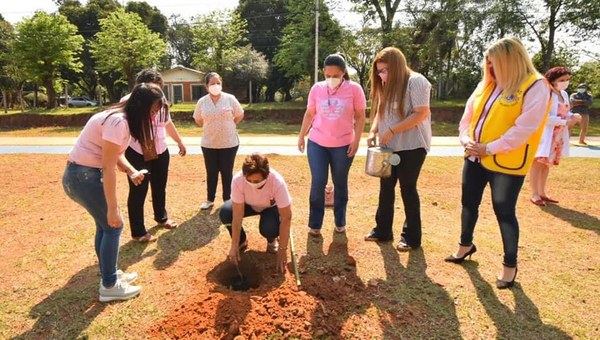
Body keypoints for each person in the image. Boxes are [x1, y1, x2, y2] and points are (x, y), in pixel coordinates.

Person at [444, 37, 551, 289]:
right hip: (474, 157)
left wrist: (489, 148)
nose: (490, 69)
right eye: (488, 64)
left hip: (506, 163)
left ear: (512, 61)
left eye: (495, 64)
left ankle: (509, 265)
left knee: (504, 212)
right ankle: (465, 245)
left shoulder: (535, 86)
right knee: (468, 203)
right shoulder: (487, 84)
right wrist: (466, 139)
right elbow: (467, 118)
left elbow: (525, 128)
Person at [62, 83, 166, 302]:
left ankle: (109, 272)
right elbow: (108, 166)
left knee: (105, 226)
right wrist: (112, 208)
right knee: (114, 224)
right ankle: (109, 286)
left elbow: (114, 154)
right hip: (83, 177)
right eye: (153, 110)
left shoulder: (118, 118)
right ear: (142, 105)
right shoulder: (118, 122)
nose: (154, 115)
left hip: (82, 175)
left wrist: (131, 170)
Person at [363, 47, 432, 252]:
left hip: (412, 146)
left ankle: (411, 237)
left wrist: (393, 129)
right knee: (386, 187)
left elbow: (420, 113)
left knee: (407, 188)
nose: (381, 75)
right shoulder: (386, 84)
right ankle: (382, 230)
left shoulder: (416, 82)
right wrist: (373, 131)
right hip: (388, 146)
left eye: (385, 70)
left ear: (398, 67)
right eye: (379, 71)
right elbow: (381, 111)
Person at [297, 54, 366, 235]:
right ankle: (315, 224)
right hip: (318, 143)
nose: (331, 79)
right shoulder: (317, 89)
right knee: (318, 182)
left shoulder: (355, 90)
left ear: (344, 73)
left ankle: (340, 221)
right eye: (328, 75)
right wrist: (301, 135)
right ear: (323, 73)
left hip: (344, 144)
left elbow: (360, 117)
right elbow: (310, 113)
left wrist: (357, 140)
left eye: (335, 76)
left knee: (340, 182)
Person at [122, 69, 187, 242]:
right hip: (137, 152)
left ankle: (161, 217)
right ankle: (138, 231)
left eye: (159, 90)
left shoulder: (162, 102)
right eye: (153, 90)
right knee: (138, 191)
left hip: (160, 150)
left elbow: (167, 122)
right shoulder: (127, 103)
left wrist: (179, 141)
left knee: (160, 186)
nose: (157, 95)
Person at [220, 153, 292, 273]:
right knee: (226, 212)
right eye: (249, 180)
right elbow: (237, 217)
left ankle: (271, 239)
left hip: (270, 207)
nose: (253, 184)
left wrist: (282, 250)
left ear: (266, 176)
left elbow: (286, 218)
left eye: (257, 181)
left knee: (269, 228)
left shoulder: (277, 182)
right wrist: (234, 245)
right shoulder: (238, 180)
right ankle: (242, 242)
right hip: (248, 204)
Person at [529, 67, 581, 206]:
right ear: (552, 80)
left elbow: (565, 112)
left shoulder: (563, 94)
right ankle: (534, 193)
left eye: (567, 80)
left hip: (557, 135)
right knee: (538, 163)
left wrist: (573, 116)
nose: (565, 82)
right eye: (562, 80)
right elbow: (544, 117)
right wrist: (565, 121)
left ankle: (542, 192)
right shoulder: (546, 94)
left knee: (547, 164)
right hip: (545, 134)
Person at [193, 72, 244, 210]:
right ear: (206, 86)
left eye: (218, 83)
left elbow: (239, 114)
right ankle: (210, 199)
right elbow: (198, 119)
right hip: (209, 144)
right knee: (211, 172)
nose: (215, 86)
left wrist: (230, 124)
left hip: (229, 143)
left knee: (227, 172)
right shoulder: (202, 102)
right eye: (212, 83)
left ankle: (228, 200)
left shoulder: (230, 99)